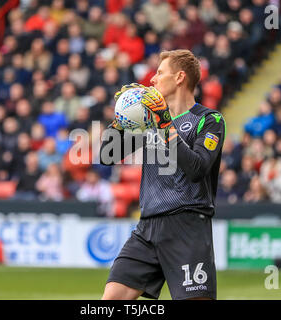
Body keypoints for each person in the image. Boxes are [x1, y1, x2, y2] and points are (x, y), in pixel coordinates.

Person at [100, 49, 226, 300]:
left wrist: (166, 123)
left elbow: (197, 169)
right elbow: (108, 155)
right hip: (147, 227)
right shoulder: (149, 122)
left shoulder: (209, 120)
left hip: (187, 227)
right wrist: (122, 120)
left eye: (159, 73)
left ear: (179, 77)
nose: (152, 80)